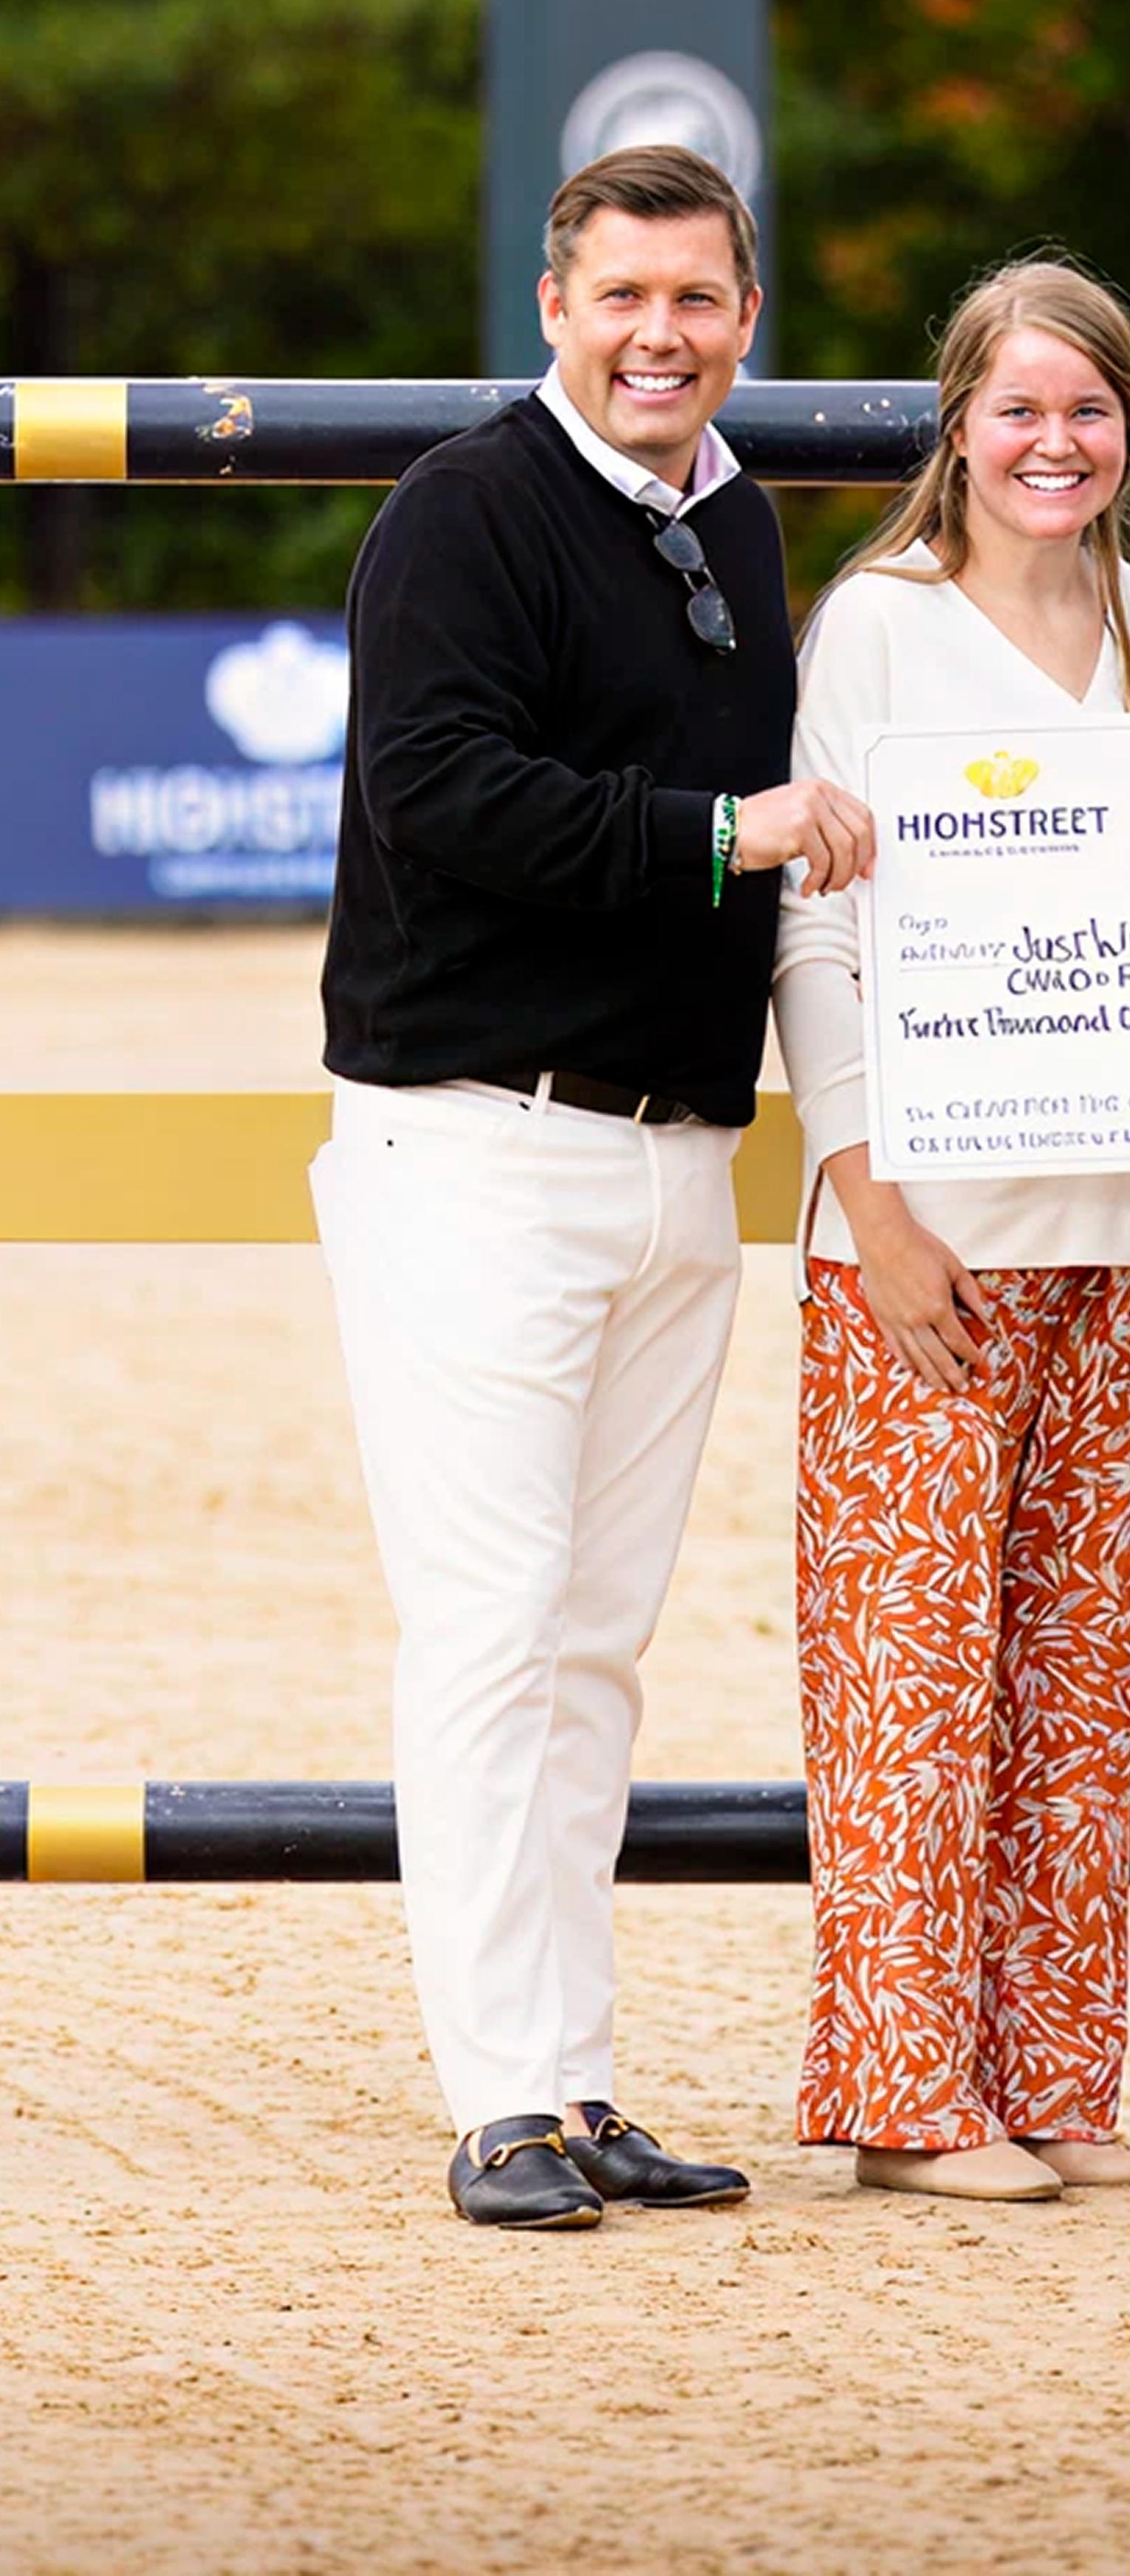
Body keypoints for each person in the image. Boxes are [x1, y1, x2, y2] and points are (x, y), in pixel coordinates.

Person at [314, 145, 871, 2231]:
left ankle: (571, 2071)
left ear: (746, 314)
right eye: (622, 294)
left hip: (667, 1153)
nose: (661, 332)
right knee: (488, 1631)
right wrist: (728, 835)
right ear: (553, 301)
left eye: (699, 299)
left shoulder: (724, 510)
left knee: (597, 1645)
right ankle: (496, 2094)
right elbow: (442, 793)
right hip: (474, 1139)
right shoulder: (466, 510)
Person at [774, 261, 1130, 2205]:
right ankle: (898, 2086)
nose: (1054, 442)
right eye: (1018, 408)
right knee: (910, 1666)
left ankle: (1049, 2066)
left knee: (1077, 1674)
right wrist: (872, 1206)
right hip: (930, 1226)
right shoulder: (879, 625)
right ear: (959, 420)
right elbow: (818, 929)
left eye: (1089, 409)